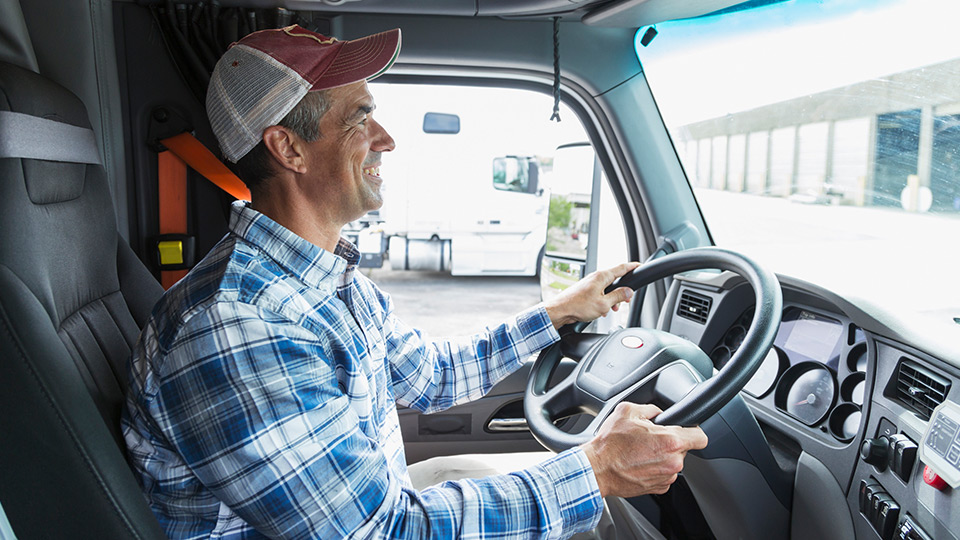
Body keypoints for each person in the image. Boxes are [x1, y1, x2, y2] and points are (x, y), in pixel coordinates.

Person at [122, 25, 708, 539]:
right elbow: (382, 533)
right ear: (289, 148)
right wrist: (596, 469)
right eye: (358, 118)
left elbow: (431, 376)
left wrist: (559, 313)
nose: (386, 139)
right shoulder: (240, 328)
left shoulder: (325, 280)